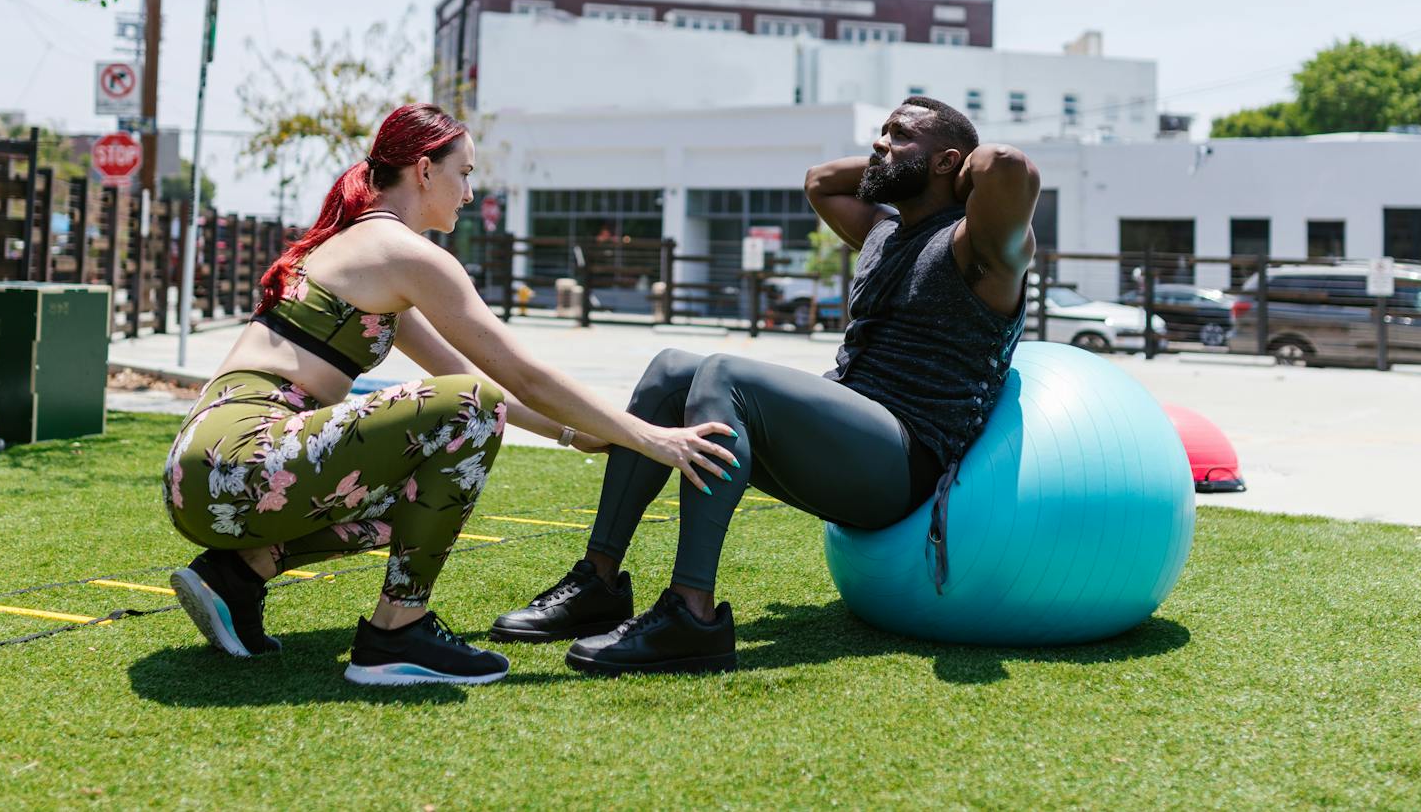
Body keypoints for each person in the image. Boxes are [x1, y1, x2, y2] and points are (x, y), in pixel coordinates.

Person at [164, 103, 735, 686]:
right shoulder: (405, 254)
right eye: (463, 173)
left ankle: (237, 576)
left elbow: (469, 371)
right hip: (242, 460)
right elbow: (516, 377)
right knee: (467, 407)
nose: (469, 193)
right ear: (424, 171)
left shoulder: (359, 249)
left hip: (207, 472)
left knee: (425, 477)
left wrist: (575, 432)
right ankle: (395, 633)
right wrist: (651, 437)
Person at [490, 97, 1040, 675]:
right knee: (670, 370)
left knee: (726, 373)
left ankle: (692, 613)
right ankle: (598, 581)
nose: (880, 143)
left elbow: (1007, 165)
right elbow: (820, 181)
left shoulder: (981, 247)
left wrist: (946, 173)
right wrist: (902, 163)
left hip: (904, 465)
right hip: (841, 442)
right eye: (881, 131)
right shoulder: (882, 232)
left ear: (948, 161)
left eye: (899, 134)